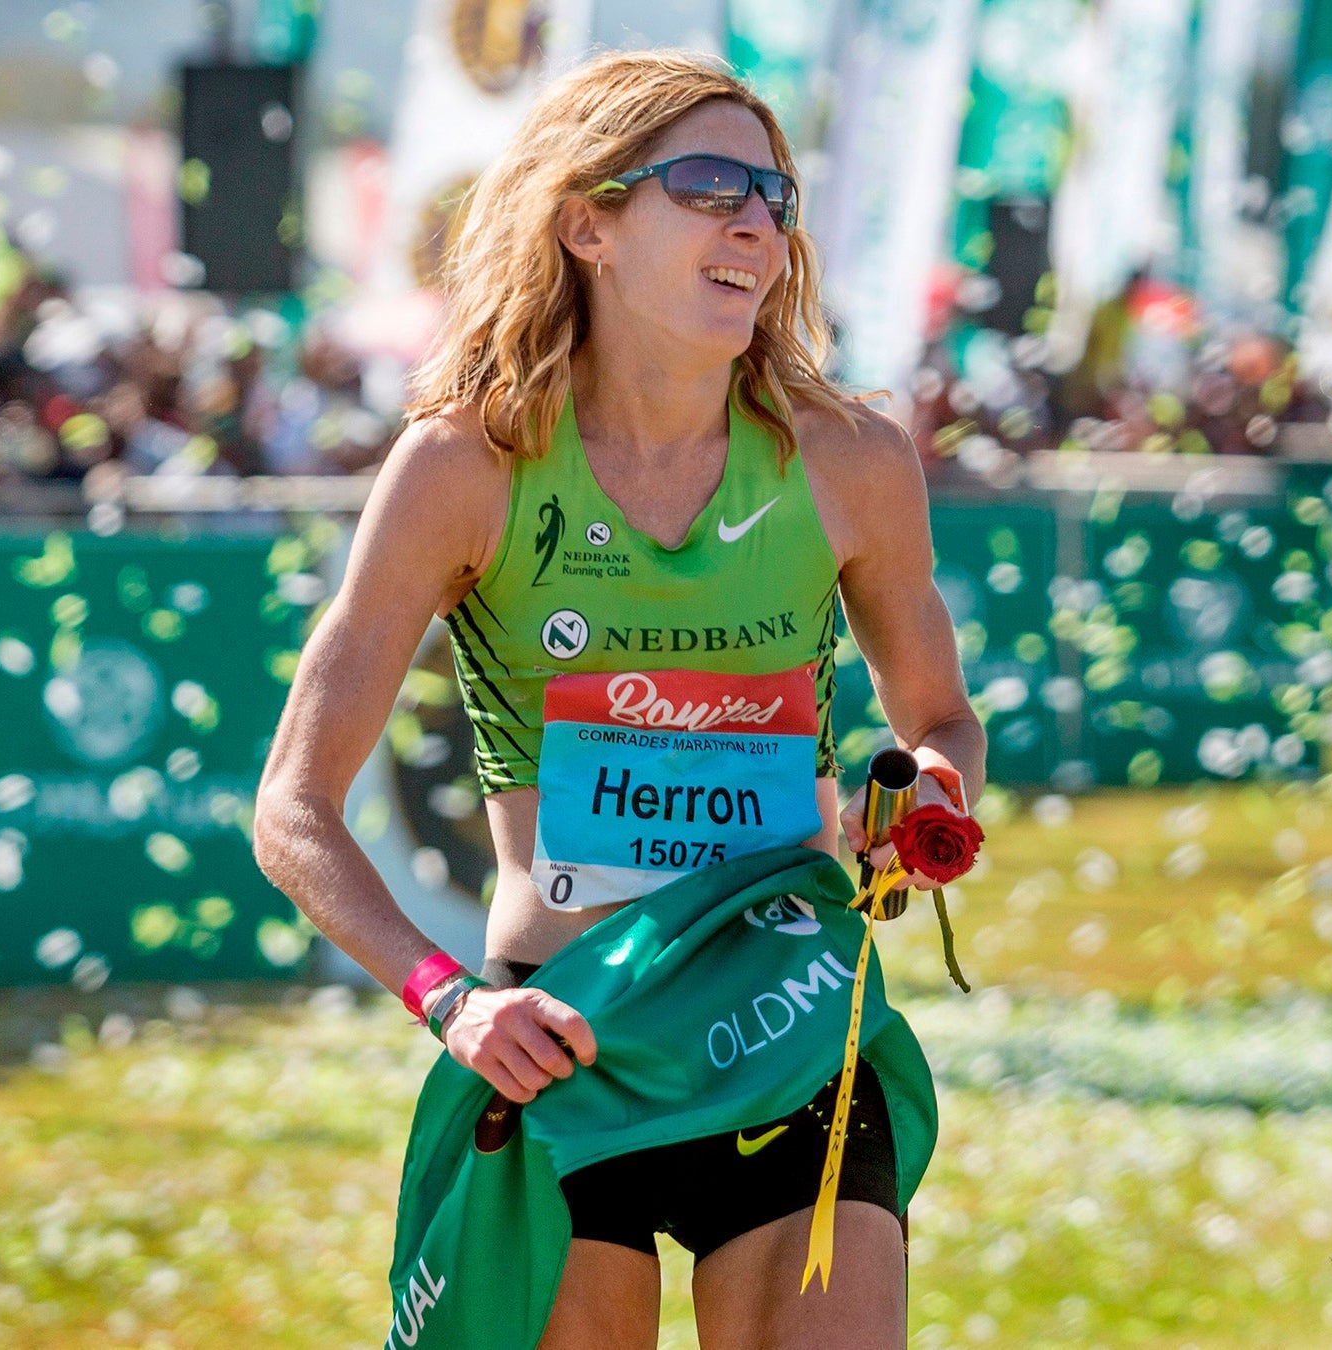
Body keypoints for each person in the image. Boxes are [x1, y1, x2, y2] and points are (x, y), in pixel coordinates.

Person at [253, 51, 982, 1350]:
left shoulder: (851, 460)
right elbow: (292, 810)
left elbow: (941, 719)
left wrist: (927, 793)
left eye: (774, 194)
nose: (755, 222)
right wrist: (449, 999)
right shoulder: (466, 465)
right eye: (708, 187)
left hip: (791, 1019)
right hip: (563, 1038)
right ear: (586, 221)